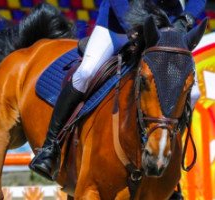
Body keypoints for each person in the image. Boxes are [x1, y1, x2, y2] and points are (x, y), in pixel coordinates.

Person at [29, 0, 206, 181]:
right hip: (119, 24)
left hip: (168, 26)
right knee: (86, 72)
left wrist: (186, 17)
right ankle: (50, 148)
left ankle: (165, 156)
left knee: (193, 93)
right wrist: (132, 24)